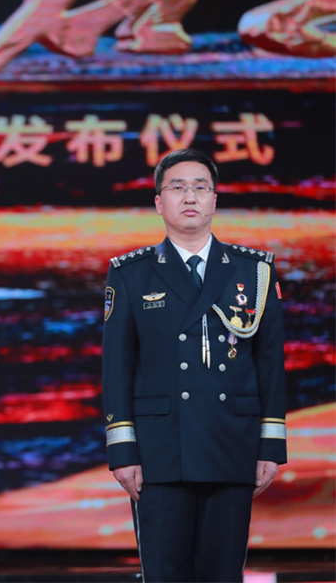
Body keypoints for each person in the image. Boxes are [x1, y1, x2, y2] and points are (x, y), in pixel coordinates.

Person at [101, 148, 287, 582]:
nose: (190, 197)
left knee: (223, 574)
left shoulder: (254, 272)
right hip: (160, 452)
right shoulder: (131, 273)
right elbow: (117, 369)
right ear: (158, 202)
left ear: (214, 200)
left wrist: (271, 447)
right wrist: (122, 452)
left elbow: (271, 364)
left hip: (232, 445)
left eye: (201, 188)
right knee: (165, 574)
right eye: (178, 187)